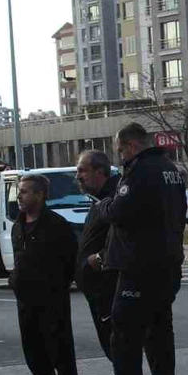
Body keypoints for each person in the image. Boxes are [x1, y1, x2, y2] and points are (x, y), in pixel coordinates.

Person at [89, 123, 185, 375]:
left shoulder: (139, 171)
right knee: (159, 328)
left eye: (121, 150)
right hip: (168, 262)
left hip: (139, 265)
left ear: (132, 145)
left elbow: (118, 211)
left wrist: (103, 204)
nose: (120, 156)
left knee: (124, 331)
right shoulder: (170, 169)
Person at [10, 173, 80, 375]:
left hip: (52, 301)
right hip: (25, 302)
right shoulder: (18, 226)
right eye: (19, 191)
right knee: (35, 355)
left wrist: (55, 286)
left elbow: (70, 261)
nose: (19, 196)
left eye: (25, 191)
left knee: (60, 353)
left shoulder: (56, 225)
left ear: (39, 195)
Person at [74, 150, 120, 360]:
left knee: (119, 347)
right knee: (112, 348)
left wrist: (99, 258)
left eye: (82, 171)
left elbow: (125, 235)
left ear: (100, 172)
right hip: (96, 290)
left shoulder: (114, 199)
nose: (78, 177)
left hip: (108, 288)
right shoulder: (98, 200)